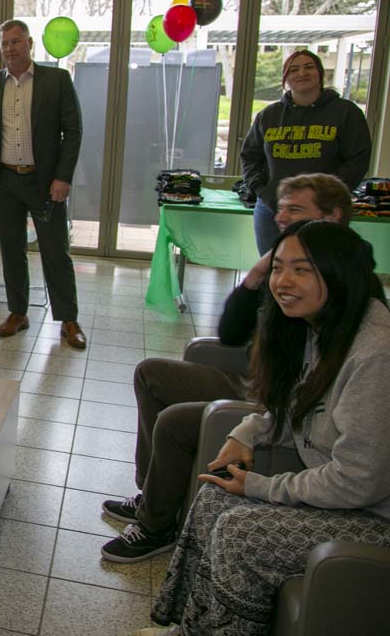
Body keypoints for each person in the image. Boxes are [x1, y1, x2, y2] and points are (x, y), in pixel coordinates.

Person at [141, 220, 390, 636]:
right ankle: (190, 628)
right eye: (277, 268)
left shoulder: (375, 355)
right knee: (212, 500)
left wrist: (260, 487)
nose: (282, 281)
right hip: (351, 503)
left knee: (239, 532)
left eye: (301, 269)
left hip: (374, 518)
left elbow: (358, 483)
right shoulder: (327, 328)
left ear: (339, 270)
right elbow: (301, 405)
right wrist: (247, 432)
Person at [101, 173, 353, 563]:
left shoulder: (337, 283)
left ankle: (157, 526)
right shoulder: (282, 264)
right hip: (256, 382)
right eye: (282, 208)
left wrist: (259, 420)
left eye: (296, 210)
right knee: (151, 374)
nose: (282, 217)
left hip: (279, 405)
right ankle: (153, 494)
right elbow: (231, 333)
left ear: (332, 218)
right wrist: (256, 277)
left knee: (174, 422)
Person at [0, 19, 86, 349]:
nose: (9, 48)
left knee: (55, 251)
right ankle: (18, 313)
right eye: (4, 43)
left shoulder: (57, 80)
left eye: (16, 42)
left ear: (30, 43)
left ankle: (68, 320)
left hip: (45, 183)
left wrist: (63, 177)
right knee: (11, 250)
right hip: (3, 182)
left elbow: (73, 131)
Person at [240, 49, 370, 254]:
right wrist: (261, 190)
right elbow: (250, 156)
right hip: (272, 208)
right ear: (286, 79)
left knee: (320, 269)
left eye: (309, 67)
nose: (302, 73)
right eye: (294, 69)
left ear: (320, 74)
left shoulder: (346, 112)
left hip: (322, 211)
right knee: (272, 268)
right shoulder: (269, 115)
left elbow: (358, 160)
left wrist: (329, 197)